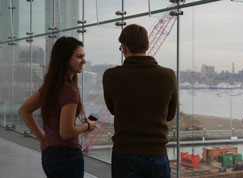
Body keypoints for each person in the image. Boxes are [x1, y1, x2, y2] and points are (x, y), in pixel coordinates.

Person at [103, 24, 178, 178]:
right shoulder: (168, 75)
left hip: (124, 153)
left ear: (124, 47)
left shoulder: (111, 75)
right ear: (148, 46)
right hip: (157, 153)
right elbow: (170, 115)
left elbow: (113, 110)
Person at [19, 36, 97, 178]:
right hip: (67, 155)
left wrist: (42, 139)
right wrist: (87, 125)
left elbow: (24, 110)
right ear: (65, 59)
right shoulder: (69, 90)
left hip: (50, 155)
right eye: (79, 57)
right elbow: (66, 133)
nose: (84, 61)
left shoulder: (51, 86)